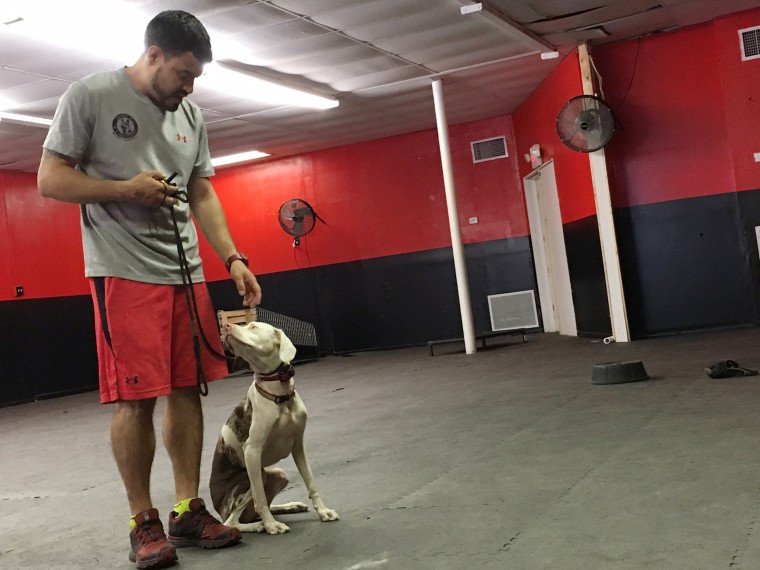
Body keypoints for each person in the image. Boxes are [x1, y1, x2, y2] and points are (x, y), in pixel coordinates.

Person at [37, 10, 260, 569]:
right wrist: (125, 189)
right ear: (153, 54)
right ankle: (144, 522)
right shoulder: (90, 95)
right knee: (133, 399)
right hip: (123, 271)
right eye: (183, 73)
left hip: (186, 273)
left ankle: (188, 509)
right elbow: (49, 178)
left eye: (196, 78)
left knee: (187, 389)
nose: (188, 87)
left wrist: (231, 257)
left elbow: (202, 192)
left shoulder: (190, 113)